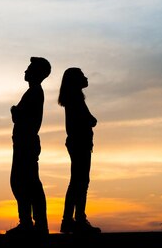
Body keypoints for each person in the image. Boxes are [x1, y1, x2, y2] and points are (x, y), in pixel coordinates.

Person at [6, 56, 51, 236]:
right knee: (24, 183)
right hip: (24, 142)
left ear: (37, 73)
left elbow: (19, 116)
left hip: (26, 143)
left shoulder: (34, 92)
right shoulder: (33, 92)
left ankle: (30, 224)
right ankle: (31, 223)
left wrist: (14, 110)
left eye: (29, 68)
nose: (25, 71)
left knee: (24, 183)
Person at [58, 67, 101, 234]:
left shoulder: (74, 98)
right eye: (82, 75)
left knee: (78, 182)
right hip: (79, 143)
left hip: (78, 143)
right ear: (75, 80)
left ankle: (70, 220)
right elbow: (89, 120)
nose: (86, 77)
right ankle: (77, 220)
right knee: (80, 182)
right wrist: (92, 120)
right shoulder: (75, 99)